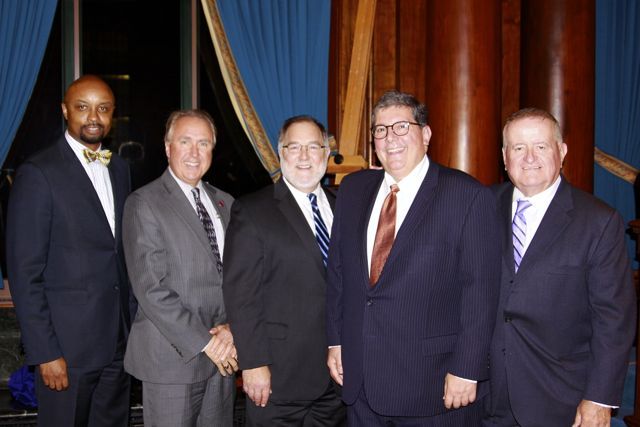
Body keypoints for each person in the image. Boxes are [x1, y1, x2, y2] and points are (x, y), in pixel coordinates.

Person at [326, 90, 501, 426]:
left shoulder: (467, 195)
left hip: (432, 387)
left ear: (426, 134)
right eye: (381, 130)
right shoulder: (352, 190)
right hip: (360, 383)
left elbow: (481, 293)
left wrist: (467, 368)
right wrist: (336, 340)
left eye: (402, 127)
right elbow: (338, 274)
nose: (390, 138)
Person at [483, 108, 636, 427]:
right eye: (518, 147)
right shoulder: (479, 206)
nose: (529, 157)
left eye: (540, 146)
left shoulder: (598, 221)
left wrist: (599, 399)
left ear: (562, 151)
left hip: (559, 399)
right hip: (483, 396)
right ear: (504, 156)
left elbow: (614, 319)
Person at [7, 75, 134, 426]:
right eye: (82, 107)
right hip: (66, 351)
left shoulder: (119, 169)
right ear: (65, 111)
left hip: (118, 344)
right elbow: (24, 273)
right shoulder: (38, 173)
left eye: (103, 108)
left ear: (113, 114)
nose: (94, 117)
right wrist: (45, 352)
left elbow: (118, 254)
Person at [223, 115, 346, 426]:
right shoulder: (252, 210)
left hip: (338, 379)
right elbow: (241, 295)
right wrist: (253, 364)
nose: (304, 156)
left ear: (326, 154)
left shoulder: (346, 205)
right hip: (278, 379)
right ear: (281, 153)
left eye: (313, 147)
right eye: (294, 147)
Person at [122, 109, 238, 426]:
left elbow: (238, 278)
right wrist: (208, 343)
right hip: (172, 360)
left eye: (204, 143)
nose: (194, 152)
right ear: (167, 147)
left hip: (224, 358)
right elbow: (150, 289)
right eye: (185, 141)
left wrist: (232, 329)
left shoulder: (226, 203)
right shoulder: (144, 203)